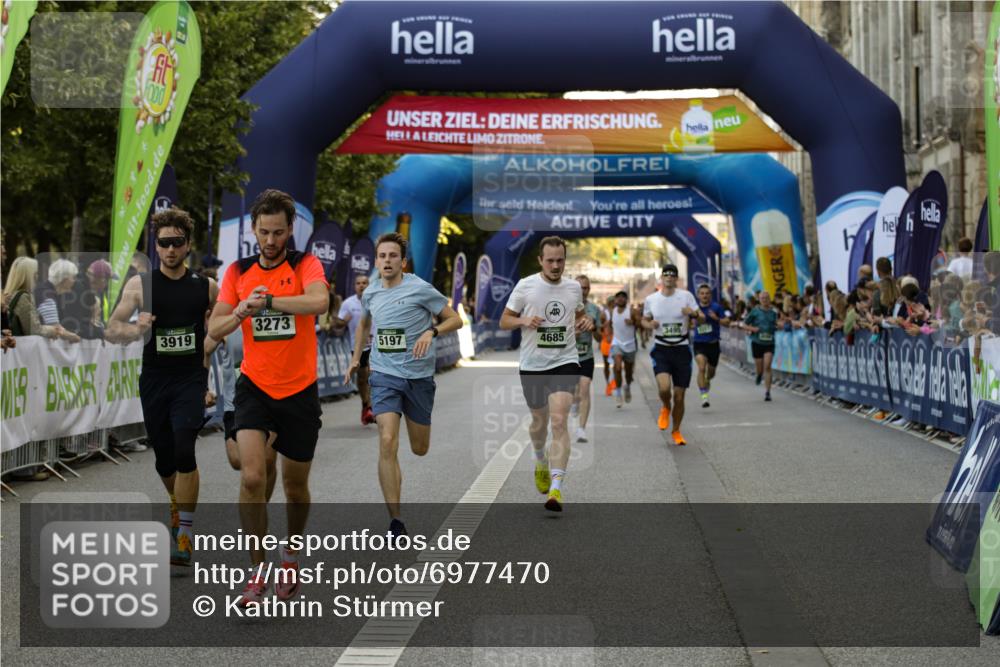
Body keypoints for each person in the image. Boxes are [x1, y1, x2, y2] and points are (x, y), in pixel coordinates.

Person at [208, 189, 329, 607]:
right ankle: (257, 570)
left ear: (290, 229)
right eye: (264, 232)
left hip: (298, 389)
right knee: (252, 477)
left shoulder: (304, 263)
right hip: (254, 385)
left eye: (278, 232)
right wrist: (242, 309)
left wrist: (271, 301)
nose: (271, 240)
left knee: (295, 488)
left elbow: (319, 301)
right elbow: (215, 329)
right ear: (253, 230)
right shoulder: (238, 271)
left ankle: (291, 554)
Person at [106, 208, 217, 568]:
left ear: (188, 245)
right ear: (156, 246)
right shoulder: (141, 285)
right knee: (165, 458)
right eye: (163, 243)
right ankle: (176, 505)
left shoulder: (205, 287)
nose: (170, 249)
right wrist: (136, 329)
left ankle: (184, 533)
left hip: (189, 379)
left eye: (177, 243)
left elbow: (222, 326)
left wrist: (209, 365)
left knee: (185, 448)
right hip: (155, 378)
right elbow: (112, 328)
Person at [345, 232, 463, 536]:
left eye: (393, 256)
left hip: (419, 378)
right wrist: (356, 358)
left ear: (403, 261)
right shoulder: (370, 293)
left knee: (419, 448)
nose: (387, 261)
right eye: (382, 256)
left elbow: (455, 319)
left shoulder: (420, 289)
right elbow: (363, 325)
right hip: (384, 375)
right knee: (386, 440)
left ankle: (397, 498)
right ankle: (395, 520)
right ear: (376, 261)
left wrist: (432, 332)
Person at [500, 236, 592, 512]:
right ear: (540, 260)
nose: (555, 265)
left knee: (559, 420)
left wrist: (583, 321)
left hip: (565, 360)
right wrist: (523, 320)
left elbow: (579, 315)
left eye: (560, 260)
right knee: (539, 423)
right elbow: (504, 320)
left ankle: (556, 488)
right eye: (550, 260)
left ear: (565, 260)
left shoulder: (573, 287)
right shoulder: (525, 286)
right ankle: (540, 459)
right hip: (533, 365)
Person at [641, 263, 704, 445]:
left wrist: (692, 313)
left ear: (676, 278)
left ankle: (676, 431)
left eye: (672, 275)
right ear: (662, 278)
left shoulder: (686, 296)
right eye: (666, 274)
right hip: (661, 349)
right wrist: (649, 324)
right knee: (663, 388)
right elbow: (644, 320)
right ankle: (665, 407)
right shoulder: (652, 299)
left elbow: (702, 318)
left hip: (682, 349)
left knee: (679, 395)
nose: (669, 277)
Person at [2, 257, 79, 342]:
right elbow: (34, 329)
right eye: (36, 273)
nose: (37, 277)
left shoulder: (9, 296)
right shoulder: (24, 297)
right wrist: (53, 330)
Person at [338, 274, 376, 425]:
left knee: (372, 374)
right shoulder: (348, 304)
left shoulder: (377, 301)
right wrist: (337, 321)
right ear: (355, 286)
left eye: (365, 283)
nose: (361, 285)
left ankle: (372, 407)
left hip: (376, 345)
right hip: (358, 347)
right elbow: (340, 324)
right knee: (362, 378)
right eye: (358, 283)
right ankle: (365, 404)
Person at [571, 275, 603, 442]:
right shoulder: (565, 306)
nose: (583, 291)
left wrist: (593, 328)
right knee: (574, 392)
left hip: (586, 356)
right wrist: (572, 334)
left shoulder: (594, 309)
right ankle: (574, 401)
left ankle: (581, 429)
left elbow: (600, 338)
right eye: (580, 287)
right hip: (568, 356)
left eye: (586, 288)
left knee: (584, 388)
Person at [693, 284, 729, 408]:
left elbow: (727, 323)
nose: (704, 295)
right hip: (699, 344)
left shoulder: (716, 307)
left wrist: (716, 318)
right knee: (701, 368)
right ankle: (704, 397)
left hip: (713, 344)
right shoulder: (694, 308)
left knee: (711, 373)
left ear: (710, 295)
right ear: (698, 295)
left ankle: (707, 380)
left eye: (707, 293)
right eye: (702, 293)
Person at [744, 289, 779, 401]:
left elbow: (777, 324)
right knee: (760, 369)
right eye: (762, 298)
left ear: (769, 300)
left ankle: (767, 392)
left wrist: (780, 325)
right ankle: (759, 375)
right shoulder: (754, 311)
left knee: (767, 366)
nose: (764, 300)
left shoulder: (774, 312)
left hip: (769, 342)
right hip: (757, 342)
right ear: (759, 300)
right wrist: (752, 328)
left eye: (766, 298)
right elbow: (744, 324)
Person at [609, 290, 640, 408]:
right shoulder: (613, 312)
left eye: (623, 297)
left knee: (628, 373)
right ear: (615, 300)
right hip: (617, 343)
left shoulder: (632, 311)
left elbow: (640, 324)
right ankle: (618, 392)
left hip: (630, 344)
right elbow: (611, 324)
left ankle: (627, 386)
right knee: (617, 367)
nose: (621, 299)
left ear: (626, 300)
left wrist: (633, 322)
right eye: (618, 297)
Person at [601, 295, 614, 396]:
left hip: (617, 341)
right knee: (606, 365)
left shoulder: (620, 312)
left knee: (617, 364)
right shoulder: (604, 313)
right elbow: (599, 327)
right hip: (606, 341)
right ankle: (607, 384)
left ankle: (614, 383)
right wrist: (606, 323)